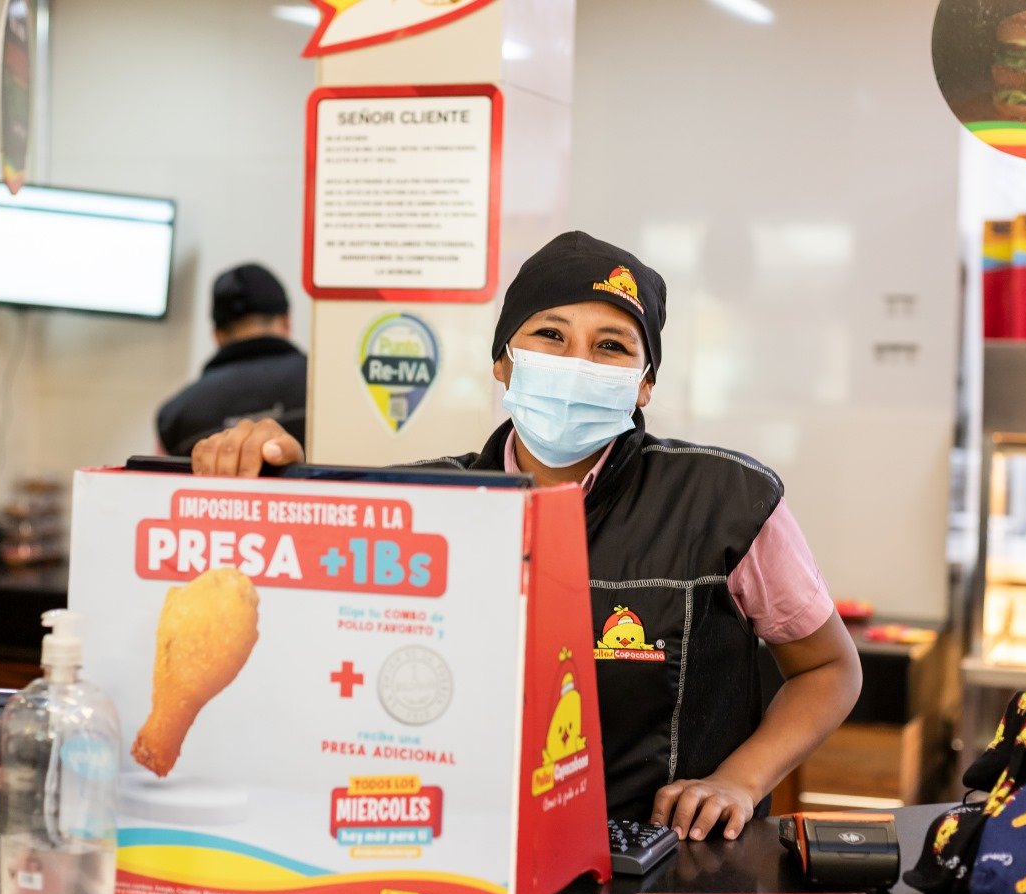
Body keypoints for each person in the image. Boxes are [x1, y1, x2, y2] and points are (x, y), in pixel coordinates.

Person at [191, 231, 862, 842]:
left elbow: (830, 669)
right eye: (550, 334)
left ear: (645, 383)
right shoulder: (421, 503)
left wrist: (739, 781)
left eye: (611, 345)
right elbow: (294, 614)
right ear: (503, 363)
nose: (578, 361)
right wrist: (264, 476)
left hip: (663, 865)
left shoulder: (727, 501)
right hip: (462, 852)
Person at [155, 263, 307, 457]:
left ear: (217, 336)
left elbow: (160, 484)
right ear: (286, 322)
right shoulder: (326, 386)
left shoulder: (173, 417)